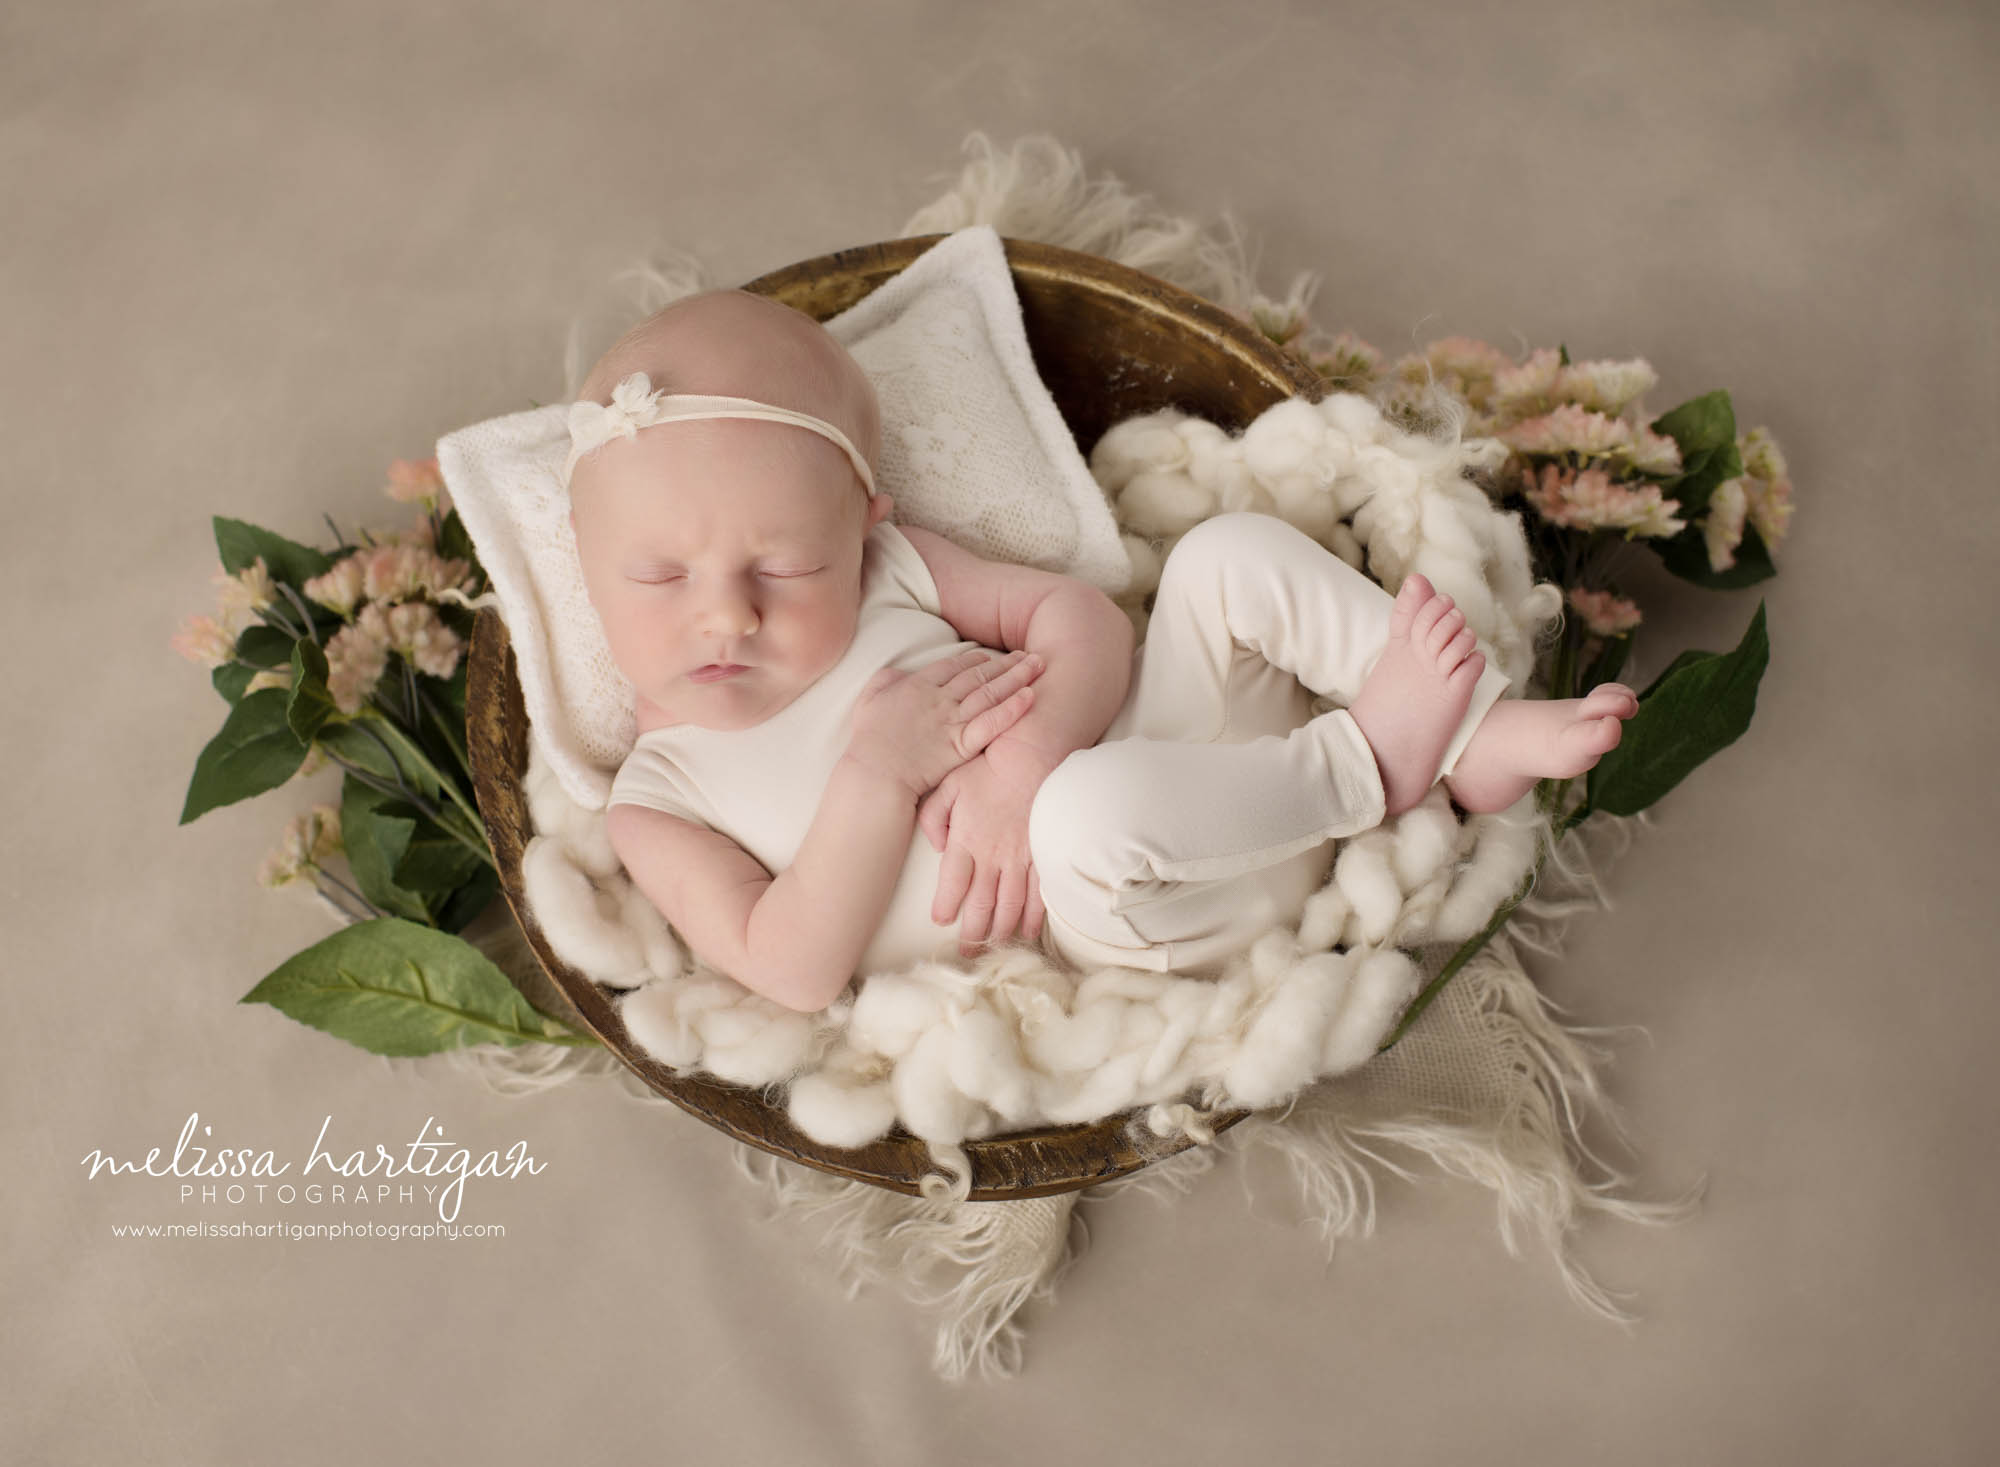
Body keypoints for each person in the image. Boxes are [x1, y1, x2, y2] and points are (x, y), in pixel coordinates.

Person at [567, 290, 1638, 1014]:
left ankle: (1471, 736)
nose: (725, 616)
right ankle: (1370, 763)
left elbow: (1079, 622)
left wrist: (1021, 760)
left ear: (857, 527)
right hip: (1134, 906)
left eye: (783, 568)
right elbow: (785, 968)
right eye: (660, 578)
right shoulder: (658, 798)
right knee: (1086, 810)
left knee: (1223, 555)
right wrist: (876, 772)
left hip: (1182, 761)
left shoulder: (890, 569)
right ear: (585, 561)